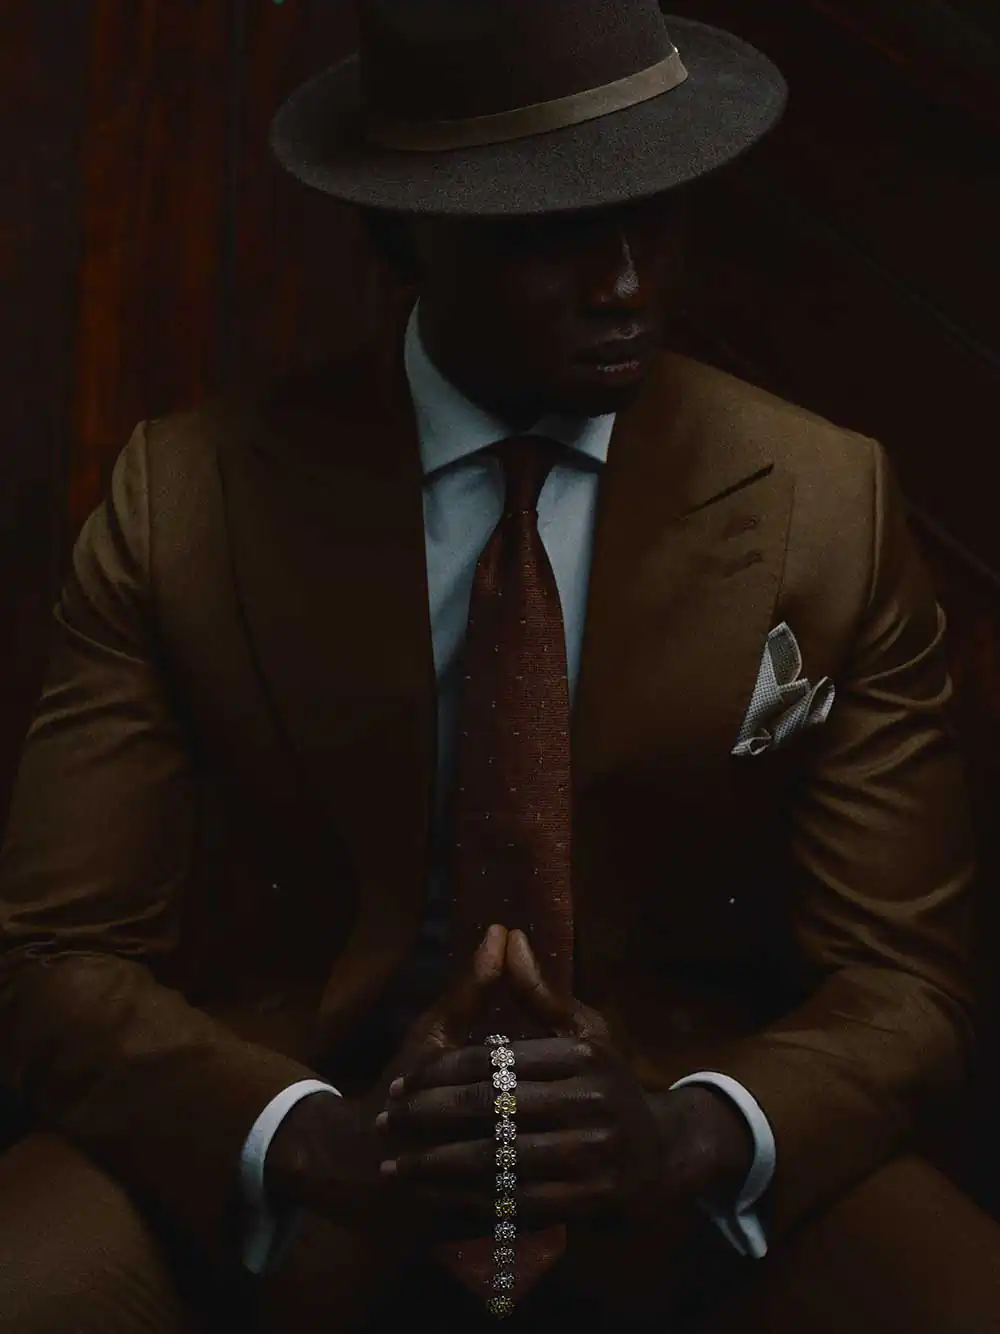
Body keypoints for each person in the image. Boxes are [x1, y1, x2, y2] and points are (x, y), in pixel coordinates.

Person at [1, 1, 999, 1331]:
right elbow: (52, 955)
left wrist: (693, 1132)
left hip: (679, 1177)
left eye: (656, 215)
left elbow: (908, 977)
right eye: (556, 228)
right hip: (293, 1157)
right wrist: (309, 1138)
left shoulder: (830, 505)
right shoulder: (185, 504)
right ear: (406, 228)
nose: (627, 283)